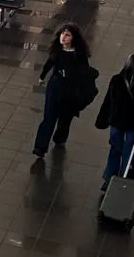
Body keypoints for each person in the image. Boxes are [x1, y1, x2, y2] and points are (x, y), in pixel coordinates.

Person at [95, 53, 134, 188]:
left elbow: (108, 101)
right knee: (131, 151)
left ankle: (109, 178)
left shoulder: (117, 80)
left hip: (117, 120)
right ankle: (125, 179)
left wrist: (103, 119)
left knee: (115, 147)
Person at [33, 24, 94, 157]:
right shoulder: (57, 50)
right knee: (49, 116)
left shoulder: (79, 54)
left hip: (71, 88)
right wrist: (42, 76)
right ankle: (40, 147)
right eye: (62, 34)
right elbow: (49, 63)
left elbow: (85, 71)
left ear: (73, 38)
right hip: (56, 86)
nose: (64, 37)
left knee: (66, 117)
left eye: (67, 35)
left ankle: (60, 138)